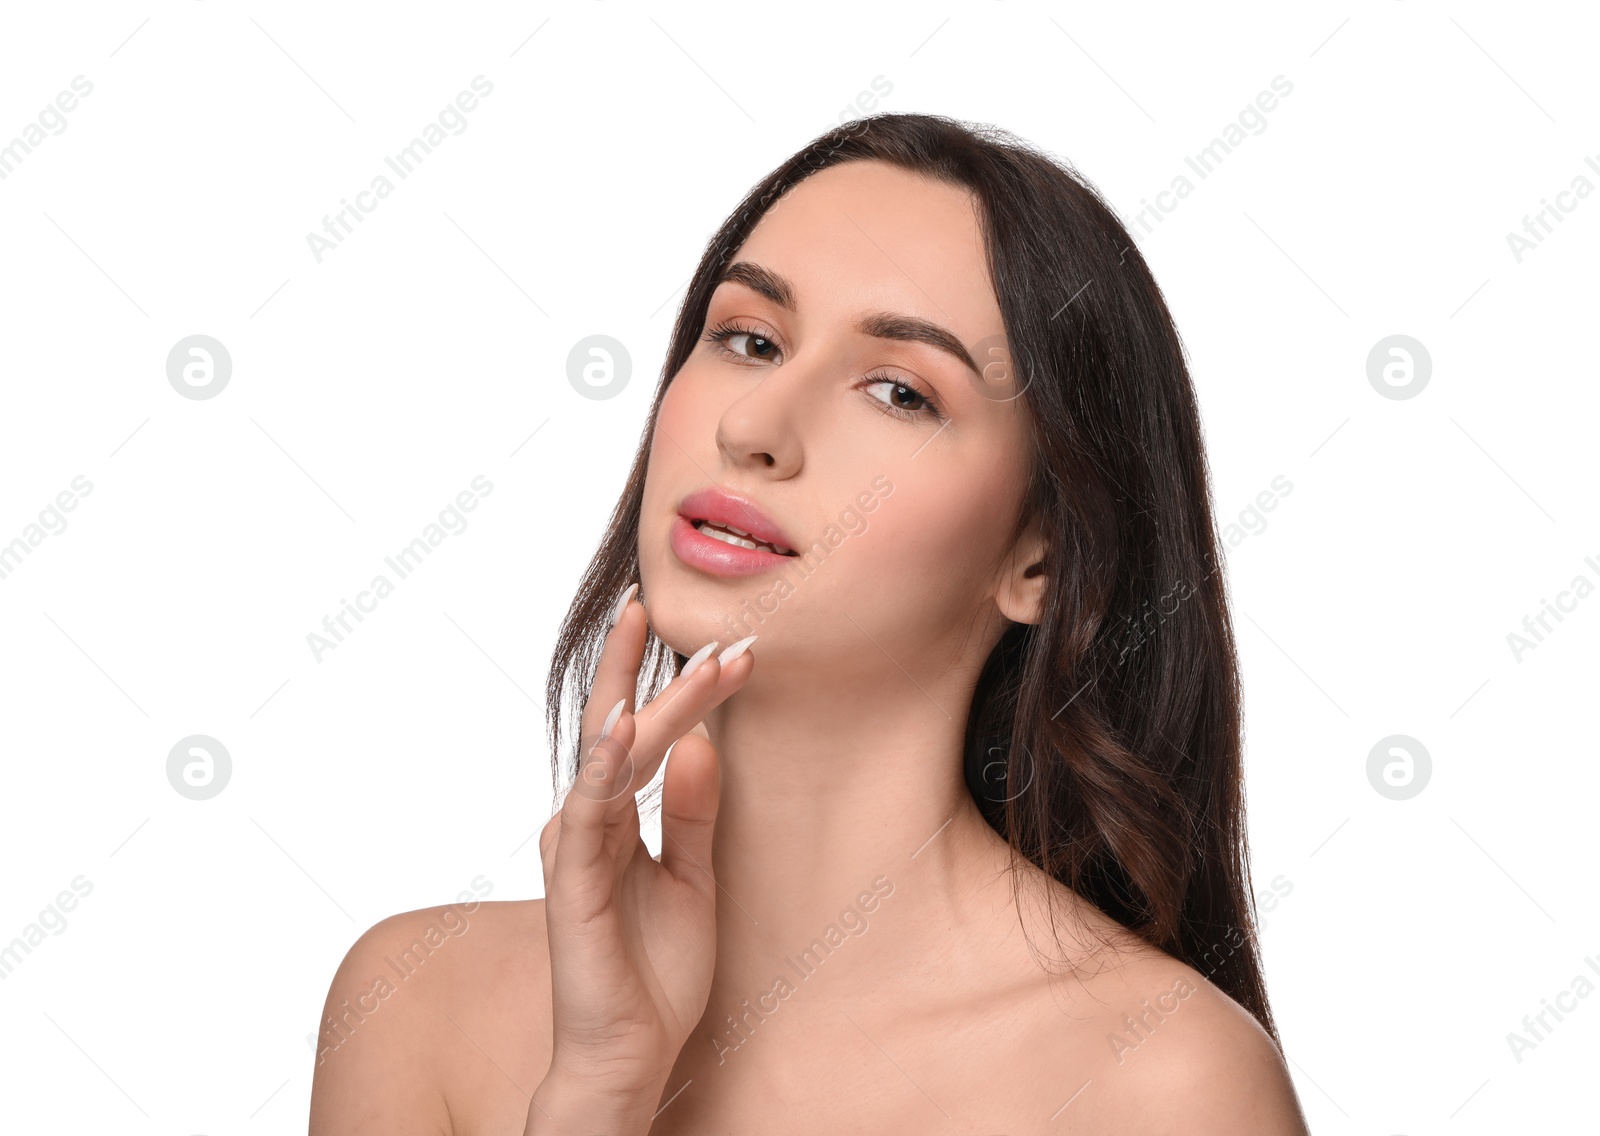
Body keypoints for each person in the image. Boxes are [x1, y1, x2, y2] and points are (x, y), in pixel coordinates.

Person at [309, 112, 1311, 1135]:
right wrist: (597, 1092)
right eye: (749, 339)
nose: (752, 427)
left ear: (1039, 557)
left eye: (898, 391)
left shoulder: (1162, 1085)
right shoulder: (413, 1006)